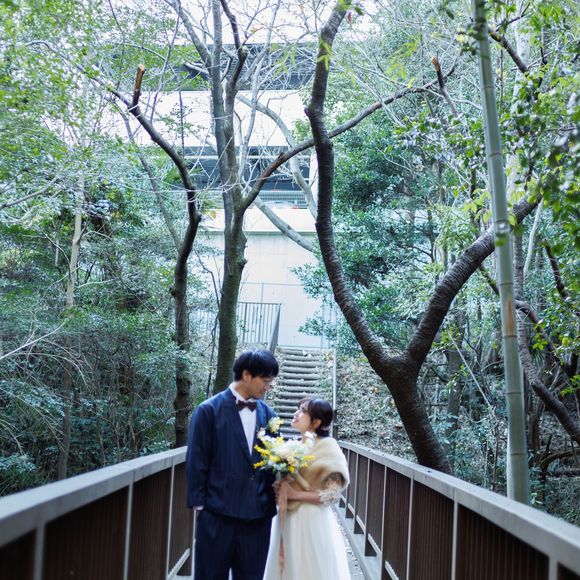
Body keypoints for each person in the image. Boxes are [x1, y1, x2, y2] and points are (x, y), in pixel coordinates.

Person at [186, 349, 279, 580]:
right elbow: (197, 460)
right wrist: (200, 508)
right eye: (265, 380)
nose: (268, 387)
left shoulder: (269, 415)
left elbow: (276, 460)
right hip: (217, 515)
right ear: (246, 375)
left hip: (257, 518)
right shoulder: (208, 410)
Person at [263, 397, 351, 580]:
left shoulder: (329, 447)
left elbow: (332, 495)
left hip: (311, 519)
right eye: (297, 408)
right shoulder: (295, 445)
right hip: (288, 518)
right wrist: (279, 488)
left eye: (302, 411)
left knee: (309, 570)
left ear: (316, 422)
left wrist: (295, 494)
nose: (296, 413)